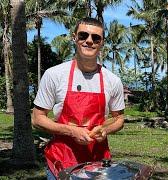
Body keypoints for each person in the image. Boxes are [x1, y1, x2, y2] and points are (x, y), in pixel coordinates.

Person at [32, 17, 125, 179]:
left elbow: (119, 119)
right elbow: (37, 118)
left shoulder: (113, 80)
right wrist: (71, 130)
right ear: (74, 37)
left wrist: (105, 129)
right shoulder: (54, 75)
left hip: (98, 164)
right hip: (61, 161)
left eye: (96, 38)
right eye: (83, 35)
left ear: (102, 42)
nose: (89, 41)